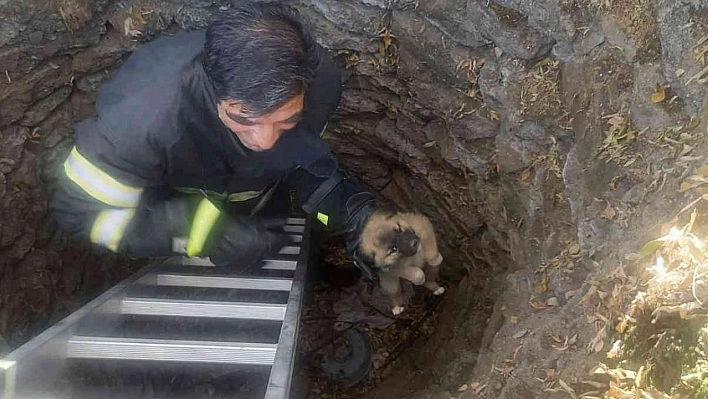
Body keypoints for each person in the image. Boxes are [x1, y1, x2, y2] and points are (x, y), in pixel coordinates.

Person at [50, 2, 376, 278]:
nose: (263, 140)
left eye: (286, 120)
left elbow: (297, 159)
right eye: (242, 118)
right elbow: (80, 213)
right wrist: (204, 232)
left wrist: (349, 209)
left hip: (259, 209)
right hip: (173, 219)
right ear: (216, 89)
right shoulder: (140, 123)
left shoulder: (320, 88)